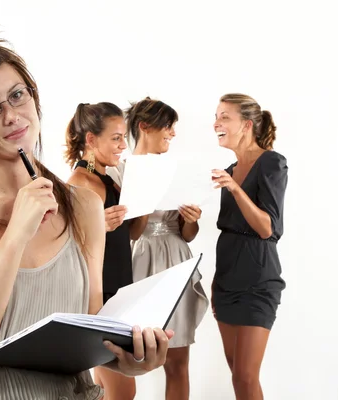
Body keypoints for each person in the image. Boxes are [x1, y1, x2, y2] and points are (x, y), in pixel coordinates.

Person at [0, 31, 174, 400]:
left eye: (17, 95)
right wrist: (17, 233)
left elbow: (90, 327)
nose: (10, 116)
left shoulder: (84, 206)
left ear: (34, 98)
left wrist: (129, 359)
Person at [106, 97, 209, 400]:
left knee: (178, 363)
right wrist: (144, 200)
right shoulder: (118, 172)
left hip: (176, 261)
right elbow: (127, 233)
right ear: (144, 126)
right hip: (136, 263)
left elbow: (187, 234)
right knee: (123, 357)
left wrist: (192, 219)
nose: (173, 133)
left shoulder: (177, 170)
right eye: (168, 126)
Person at [210, 93, 288, 400]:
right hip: (226, 282)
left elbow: (267, 227)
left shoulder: (271, 162)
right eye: (215, 116)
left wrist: (235, 189)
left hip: (258, 283)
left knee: (245, 376)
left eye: (224, 116)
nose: (216, 123)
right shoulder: (229, 170)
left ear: (247, 124)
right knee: (237, 377)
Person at [64, 102, 136, 400]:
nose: (123, 145)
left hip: (116, 294)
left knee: (108, 391)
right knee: (122, 393)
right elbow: (65, 247)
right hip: (101, 299)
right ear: (91, 140)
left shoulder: (103, 175)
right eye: (116, 138)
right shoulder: (82, 181)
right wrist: (97, 228)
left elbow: (128, 235)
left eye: (124, 137)